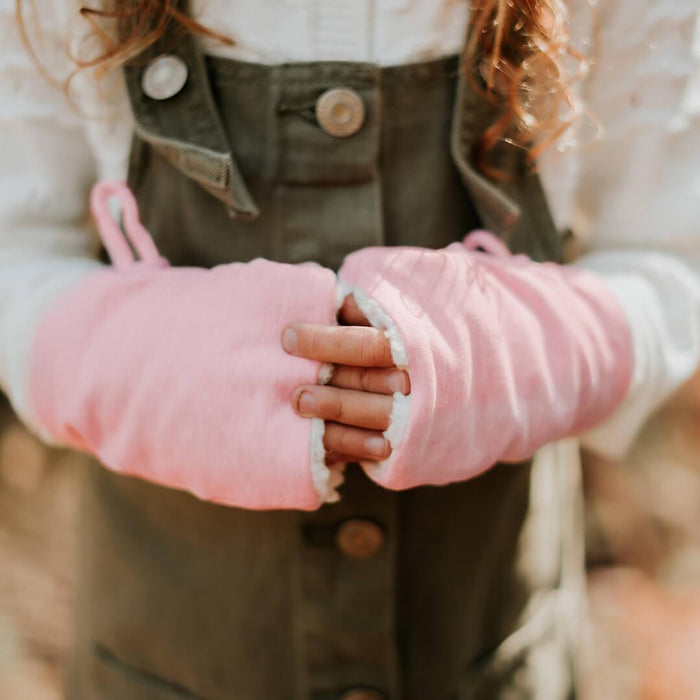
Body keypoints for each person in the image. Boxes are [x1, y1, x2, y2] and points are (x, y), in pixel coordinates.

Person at [3, 0, 700, 697]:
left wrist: (520, 351)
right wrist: (143, 362)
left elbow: (670, 254)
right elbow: (17, 246)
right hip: (164, 662)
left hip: (494, 653)